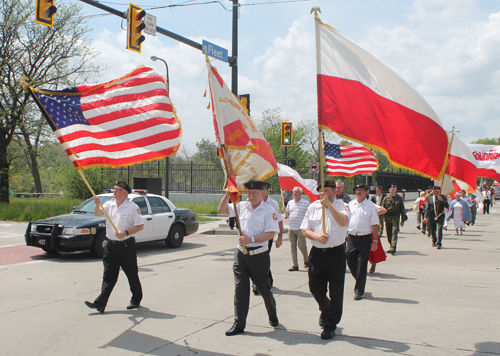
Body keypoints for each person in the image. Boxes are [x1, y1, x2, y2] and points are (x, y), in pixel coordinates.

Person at [218, 181, 279, 336]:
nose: (251, 196)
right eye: (249, 193)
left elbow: (271, 233)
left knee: (263, 288)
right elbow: (222, 209)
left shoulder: (268, 210)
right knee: (240, 289)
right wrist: (229, 192)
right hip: (241, 255)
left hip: (259, 255)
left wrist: (251, 239)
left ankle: (272, 313)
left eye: (254, 193)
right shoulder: (242, 206)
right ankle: (239, 323)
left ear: (262, 193)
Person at [300, 180, 351, 340]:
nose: (324, 194)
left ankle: (330, 325)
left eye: (327, 191)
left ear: (334, 191)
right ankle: (325, 307)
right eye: (321, 192)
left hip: (336, 253)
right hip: (317, 253)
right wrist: (316, 236)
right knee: (315, 288)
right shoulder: (312, 207)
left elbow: (343, 221)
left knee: (336, 291)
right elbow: (305, 230)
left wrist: (329, 205)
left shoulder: (343, 206)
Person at [85, 181, 144, 313]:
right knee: (108, 276)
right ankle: (100, 304)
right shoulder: (108, 204)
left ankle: (136, 299)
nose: (114, 191)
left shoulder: (132, 207)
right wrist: (96, 204)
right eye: (114, 189)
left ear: (125, 193)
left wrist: (126, 233)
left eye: (117, 189)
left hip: (126, 245)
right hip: (110, 245)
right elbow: (97, 213)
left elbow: (140, 226)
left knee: (131, 274)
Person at [346, 183, 379, 301]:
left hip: (364, 238)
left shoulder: (370, 206)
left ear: (366, 192)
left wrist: (375, 241)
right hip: (351, 237)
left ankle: (359, 290)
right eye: (357, 190)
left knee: (361, 264)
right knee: (350, 260)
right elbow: (345, 220)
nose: (358, 192)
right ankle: (360, 279)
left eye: (361, 190)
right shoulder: (351, 204)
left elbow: (375, 225)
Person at [252, 182, 283, 295]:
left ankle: (262, 282)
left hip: (267, 236)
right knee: (255, 259)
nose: (262, 191)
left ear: (267, 191)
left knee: (263, 258)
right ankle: (259, 282)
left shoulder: (273, 204)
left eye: (264, 189)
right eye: (261, 189)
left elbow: (279, 220)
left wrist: (279, 238)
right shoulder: (251, 201)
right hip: (254, 236)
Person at [284, 187, 310, 271]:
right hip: (291, 227)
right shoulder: (290, 203)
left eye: (297, 192)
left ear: (301, 193)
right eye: (294, 192)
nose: (295, 193)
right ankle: (295, 265)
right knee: (293, 247)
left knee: (301, 246)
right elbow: (287, 215)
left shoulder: (305, 203)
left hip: (301, 228)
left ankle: (306, 260)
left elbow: (309, 214)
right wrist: (285, 211)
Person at [381, 184, 406, 255]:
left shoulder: (399, 198)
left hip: (395, 217)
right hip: (387, 217)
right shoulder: (386, 198)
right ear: (389, 190)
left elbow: (402, 210)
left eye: (394, 189)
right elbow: (382, 209)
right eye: (391, 189)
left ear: (396, 190)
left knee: (394, 232)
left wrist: (403, 220)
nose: (392, 190)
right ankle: (391, 244)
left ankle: (393, 247)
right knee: (389, 233)